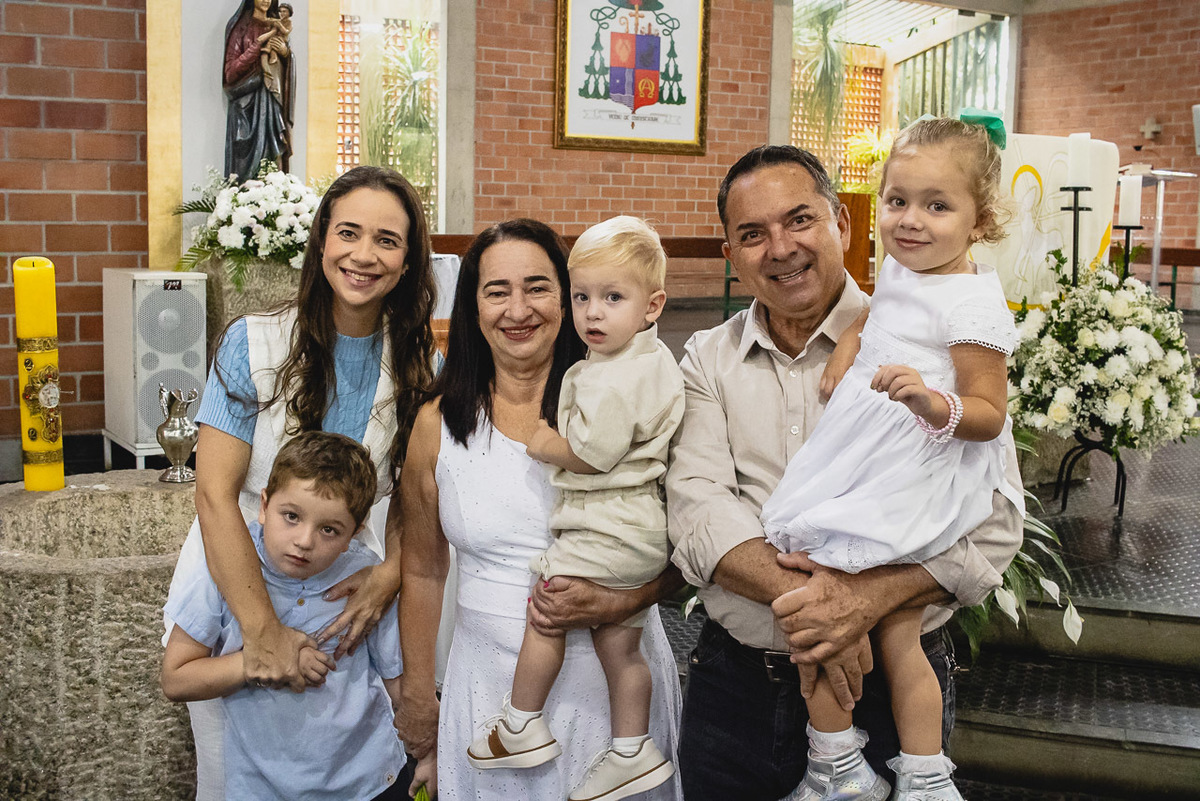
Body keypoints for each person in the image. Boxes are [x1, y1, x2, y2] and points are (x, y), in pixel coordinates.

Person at [666, 144, 1024, 801]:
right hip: (734, 692)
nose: (780, 248)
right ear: (731, 255)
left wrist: (868, 598)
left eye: (799, 220)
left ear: (843, 225)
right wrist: (822, 605)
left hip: (887, 689)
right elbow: (698, 515)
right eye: (752, 234)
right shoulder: (706, 360)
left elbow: (996, 521)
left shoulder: (940, 339)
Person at [163, 164, 437, 800]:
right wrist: (261, 634)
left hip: (343, 580)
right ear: (320, 242)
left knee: (351, 757)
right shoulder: (252, 343)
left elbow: (413, 497)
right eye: (348, 233)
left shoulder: (423, 364)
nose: (363, 255)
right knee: (236, 773)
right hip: (236, 581)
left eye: (387, 241)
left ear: (407, 262)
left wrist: (389, 574)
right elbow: (215, 494)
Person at [396, 218, 684, 800]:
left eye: (538, 287)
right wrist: (418, 692)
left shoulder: (629, 397)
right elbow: (423, 567)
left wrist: (622, 599)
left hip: (611, 688)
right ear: (473, 307)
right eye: (496, 291)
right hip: (487, 690)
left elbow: (689, 549)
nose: (517, 309)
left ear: (566, 295)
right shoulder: (437, 422)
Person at [161, 432, 436, 800]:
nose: (304, 541)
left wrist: (430, 751)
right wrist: (258, 661)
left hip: (370, 784)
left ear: (356, 531)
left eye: (329, 530)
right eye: (291, 516)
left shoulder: (364, 580)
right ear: (263, 505)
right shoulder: (222, 570)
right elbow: (176, 679)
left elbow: (399, 687)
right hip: (261, 789)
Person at [224, 0, 293, 182]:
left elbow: (285, 67)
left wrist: (285, 53)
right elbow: (230, 73)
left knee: (273, 157)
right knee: (243, 169)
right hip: (245, 104)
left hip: (271, 102)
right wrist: (257, 46)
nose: (265, 0)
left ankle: (273, 195)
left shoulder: (277, 25)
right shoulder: (240, 28)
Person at [258, 3, 293, 105]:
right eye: (280, 11)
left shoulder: (287, 23)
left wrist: (285, 52)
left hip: (280, 45)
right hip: (257, 78)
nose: (281, 13)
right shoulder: (243, 26)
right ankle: (267, 55)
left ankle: (271, 55)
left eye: (284, 11)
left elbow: (286, 33)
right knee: (269, 45)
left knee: (274, 44)